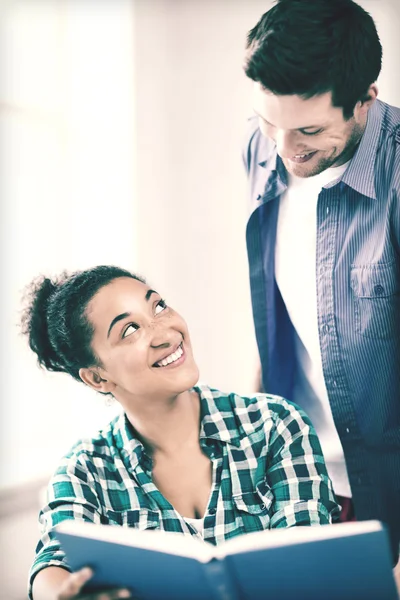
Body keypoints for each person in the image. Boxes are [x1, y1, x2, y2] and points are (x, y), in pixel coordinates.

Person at [22, 265, 339, 600]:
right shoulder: (84, 471)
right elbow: (53, 564)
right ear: (98, 378)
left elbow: (307, 558)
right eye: (129, 330)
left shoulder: (276, 423)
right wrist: (62, 594)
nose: (165, 333)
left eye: (158, 306)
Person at [242, 0, 400, 561]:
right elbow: (282, 311)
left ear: (365, 101)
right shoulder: (263, 148)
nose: (284, 149)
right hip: (301, 482)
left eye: (309, 129)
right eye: (269, 122)